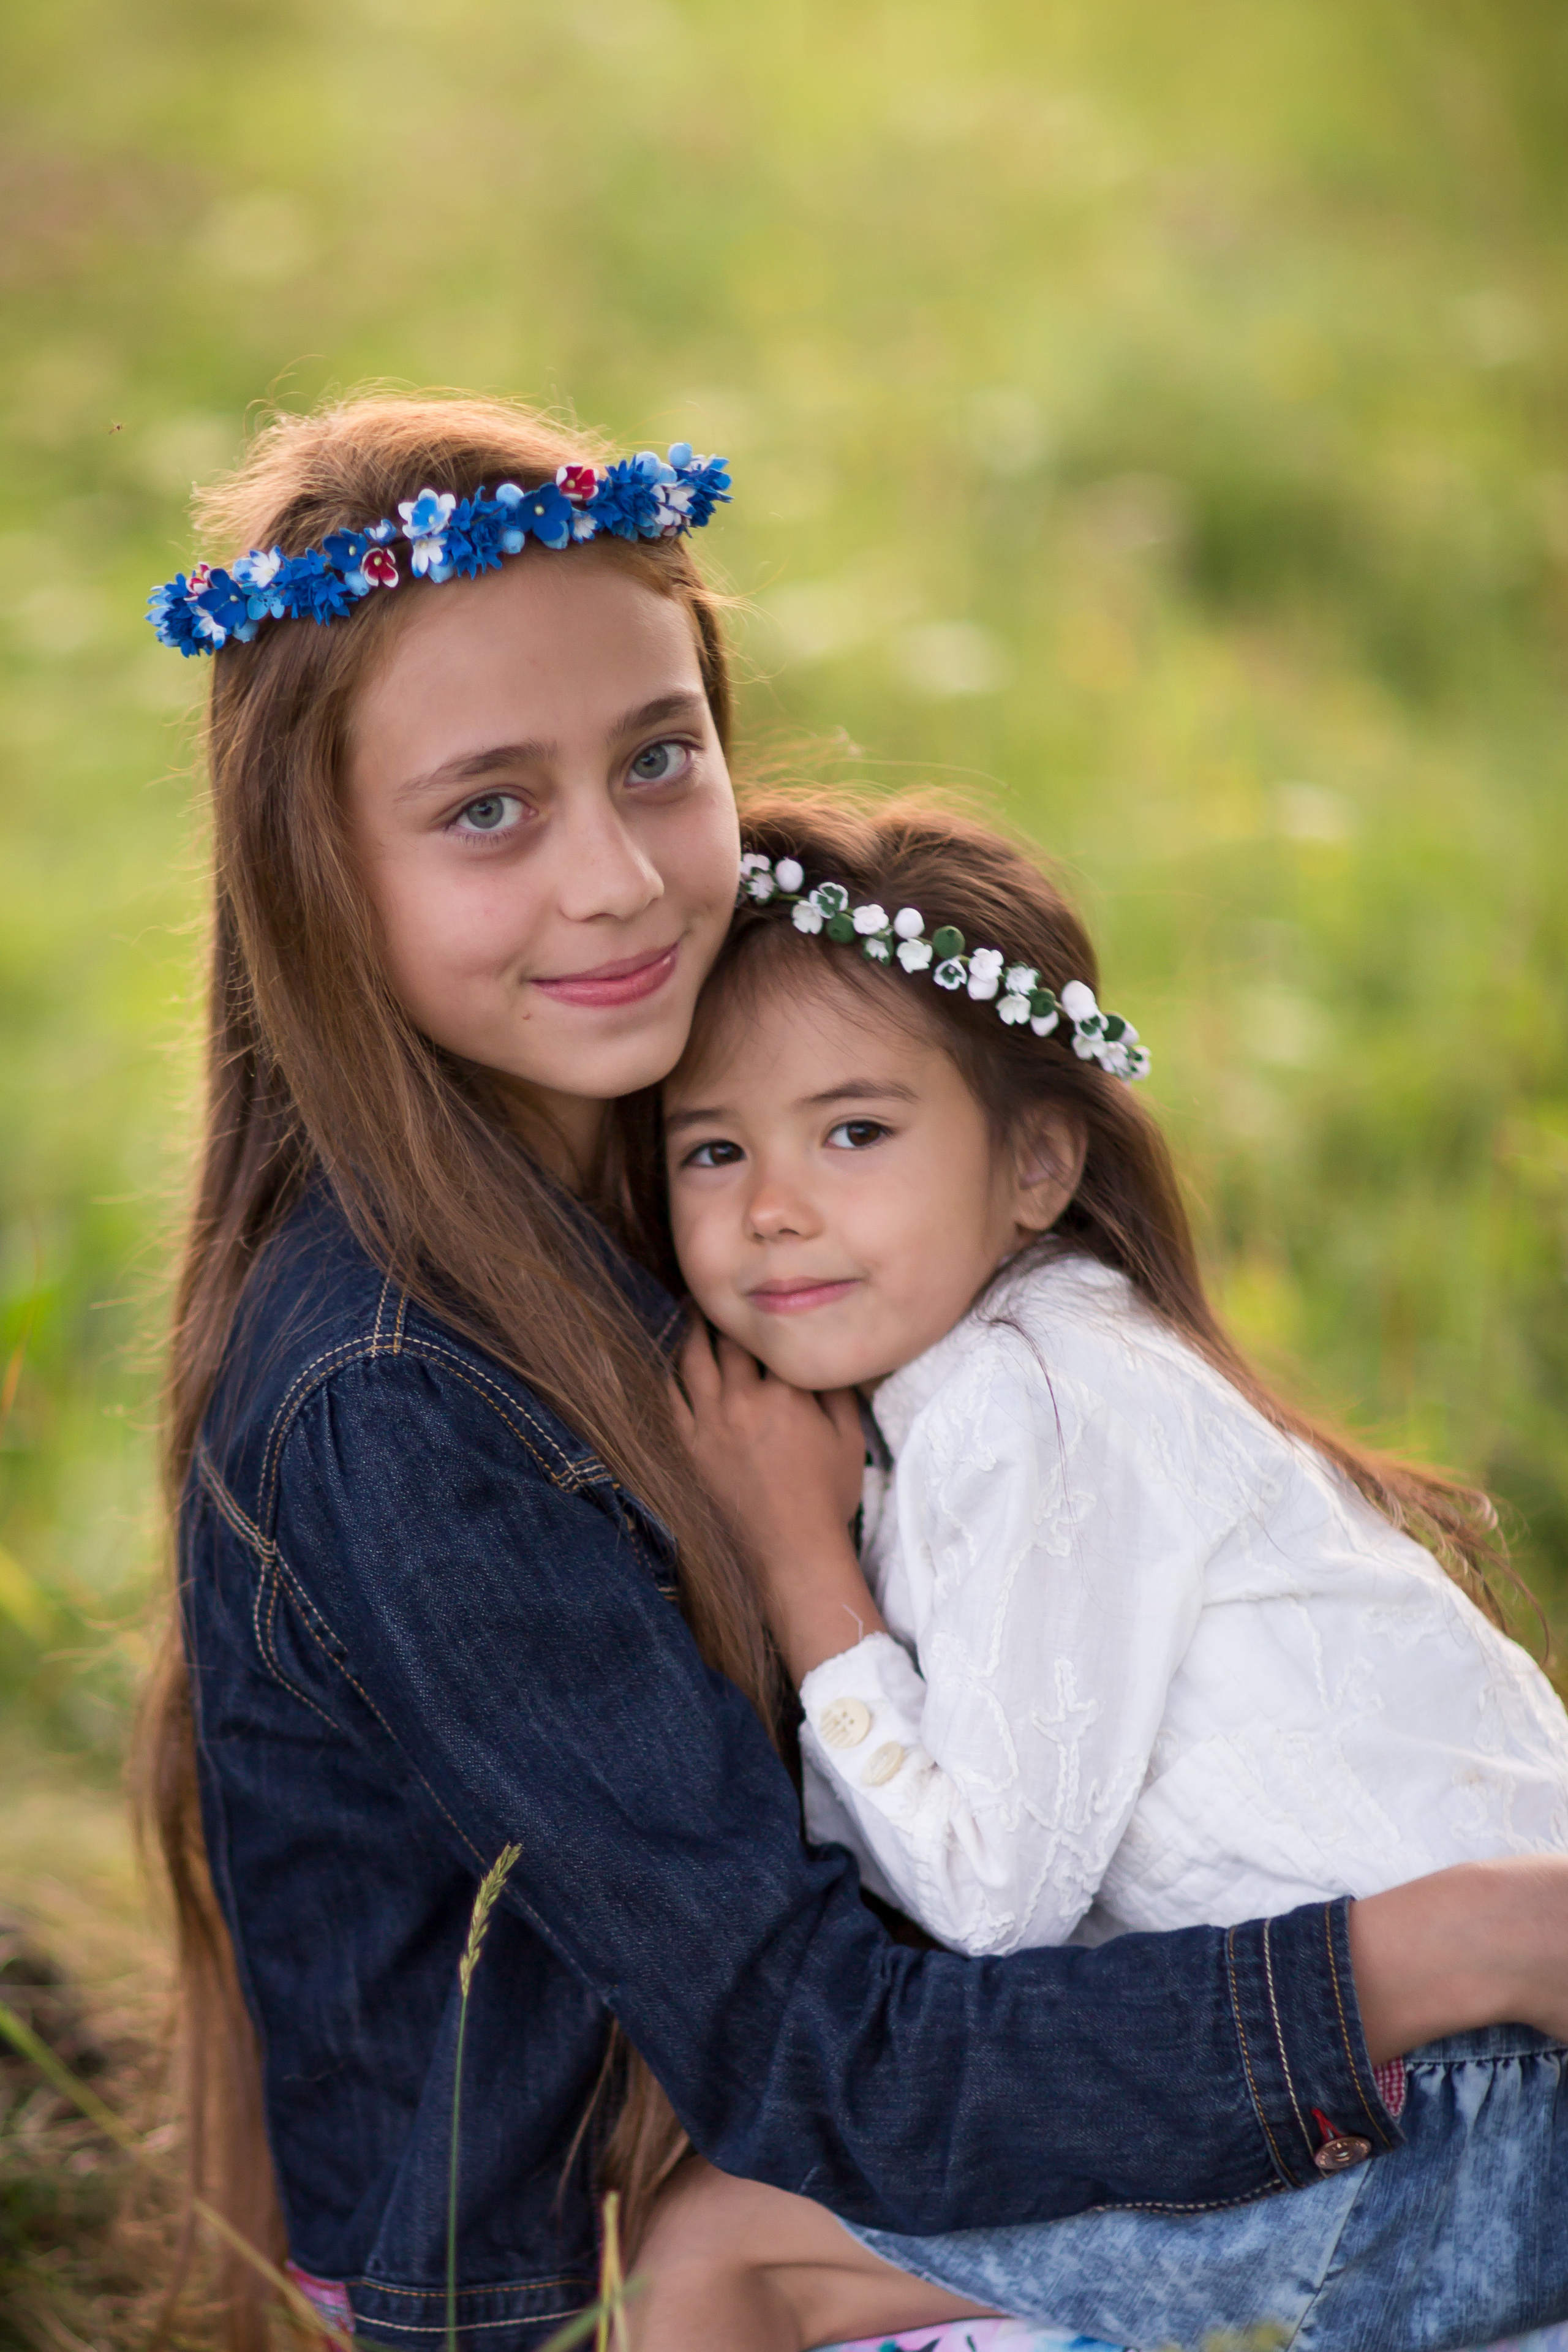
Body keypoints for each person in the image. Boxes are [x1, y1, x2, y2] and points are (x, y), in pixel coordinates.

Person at [135, 391, 1568, 2352]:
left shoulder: (704, 1172)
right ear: (316, 872)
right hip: (609, 2273)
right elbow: (846, 2067)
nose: (622, 880)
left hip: (820, 2162)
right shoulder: (391, 1398)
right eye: (489, 809)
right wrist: (1440, 1943)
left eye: (659, 760)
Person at [636, 794, 1568, 2350]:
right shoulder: (991, 1386)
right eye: (711, 1149)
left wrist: (799, 1566)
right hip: (1434, 2084)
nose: (772, 1207)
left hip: (1459, 2106)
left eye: (853, 1132)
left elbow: (987, 1902)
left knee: (708, 2254)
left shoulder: (1037, 1401)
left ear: (1036, 1164)